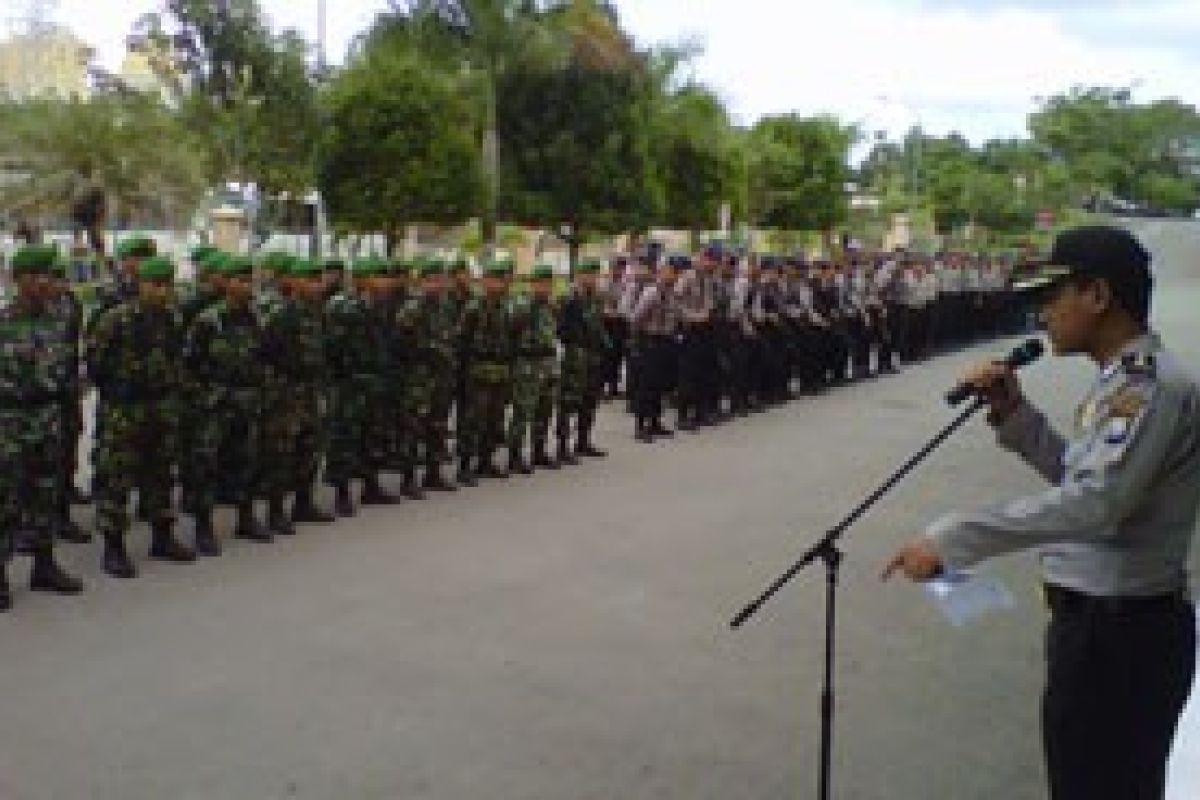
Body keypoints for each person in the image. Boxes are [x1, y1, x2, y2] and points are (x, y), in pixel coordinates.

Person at [884, 225, 1200, 800]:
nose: (1043, 311)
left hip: (1121, 636)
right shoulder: (1119, 385)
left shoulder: (1148, 389)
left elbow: (1095, 505)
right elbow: (1086, 482)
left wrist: (952, 538)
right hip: (1101, 628)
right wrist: (1017, 417)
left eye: (1053, 295)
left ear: (1098, 295)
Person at [88, 254, 196, 576]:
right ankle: (114, 547)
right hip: (124, 410)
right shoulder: (115, 320)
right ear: (141, 285)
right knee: (116, 479)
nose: (162, 292)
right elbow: (96, 363)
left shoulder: (173, 319)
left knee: (161, 473)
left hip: (161, 406)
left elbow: (178, 359)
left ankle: (162, 536)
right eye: (155, 285)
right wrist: (119, 392)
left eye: (167, 285)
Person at [0, 245, 85, 610]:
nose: (42, 282)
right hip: (10, 421)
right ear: (15, 280)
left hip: (48, 418)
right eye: (32, 276)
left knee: (45, 493)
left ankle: (44, 565)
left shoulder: (59, 321)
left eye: (46, 275)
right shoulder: (3, 322)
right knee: (6, 498)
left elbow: (67, 368)